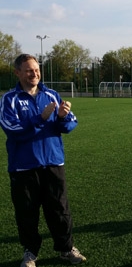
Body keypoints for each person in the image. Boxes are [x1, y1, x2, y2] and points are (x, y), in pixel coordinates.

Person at [0, 54, 86, 267]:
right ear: (17, 72)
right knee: (27, 213)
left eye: (37, 70)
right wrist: (41, 118)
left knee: (60, 210)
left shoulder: (52, 95)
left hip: (53, 163)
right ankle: (30, 253)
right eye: (29, 70)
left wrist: (63, 116)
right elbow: (12, 130)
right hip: (23, 167)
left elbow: (70, 125)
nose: (34, 74)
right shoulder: (9, 99)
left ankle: (66, 249)